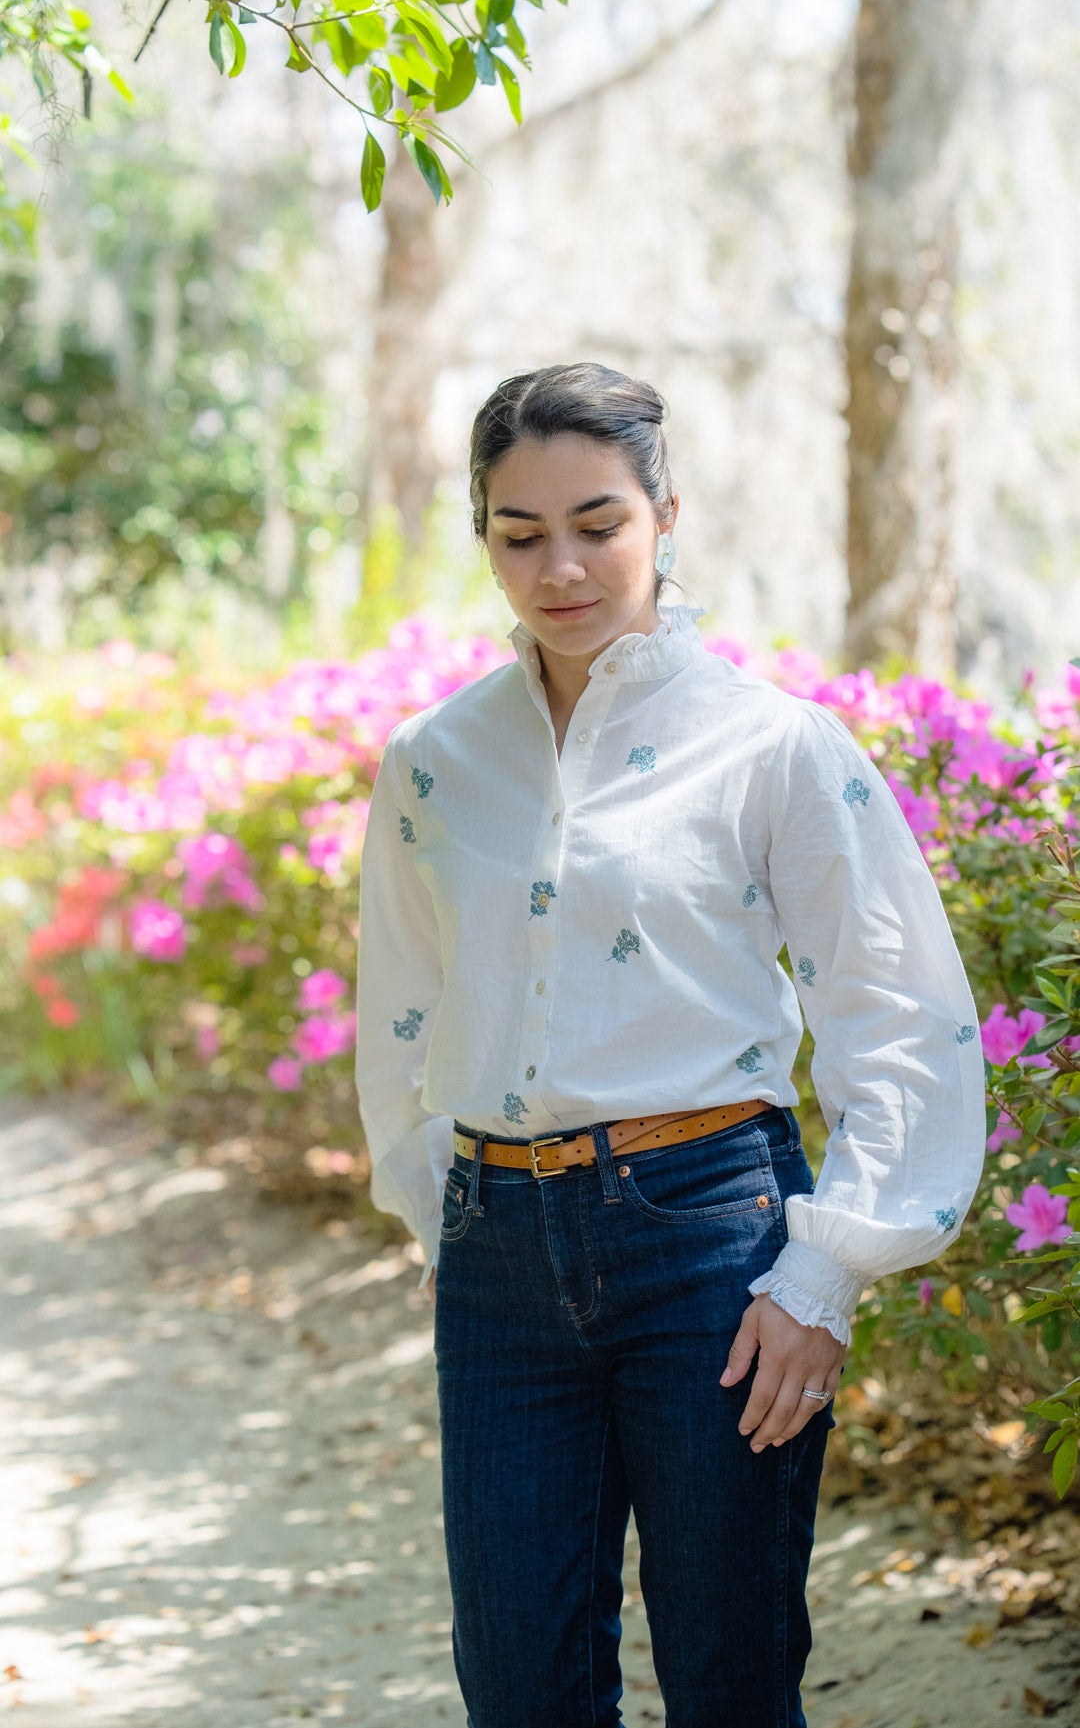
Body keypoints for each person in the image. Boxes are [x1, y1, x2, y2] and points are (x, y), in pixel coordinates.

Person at [354, 361, 987, 1728]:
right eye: (519, 535)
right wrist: (440, 1210)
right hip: (501, 1256)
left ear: (667, 513)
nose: (561, 565)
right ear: (484, 538)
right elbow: (400, 1003)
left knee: (728, 1676)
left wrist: (828, 1264)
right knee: (519, 1685)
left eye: (598, 522)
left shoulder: (772, 746)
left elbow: (897, 1006)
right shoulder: (436, 759)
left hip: (711, 1240)